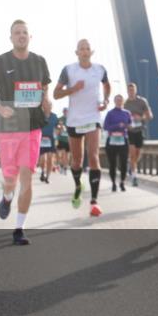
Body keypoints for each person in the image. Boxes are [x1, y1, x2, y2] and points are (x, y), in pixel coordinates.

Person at [0, 20, 51, 245]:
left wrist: (46, 102)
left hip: (32, 128)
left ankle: (19, 228)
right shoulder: (0, 62)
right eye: (17, 33)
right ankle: (7, 197)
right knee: (10, 179)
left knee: (27, 176)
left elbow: (44, 89)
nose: (21, 36)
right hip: (8, 130)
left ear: (30, 36)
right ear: (11, 38)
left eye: (25, 32)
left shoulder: (40, 62)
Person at [52, 39, 110, 217]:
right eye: (81, 49)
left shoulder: (99, 69)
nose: (84, 52)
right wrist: (73, 89)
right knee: (76, 160)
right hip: (74, 120)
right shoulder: (69, 70)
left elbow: (107, 86)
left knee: (93, 157)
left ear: (91, 52)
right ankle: (78, 186)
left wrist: (105, 100)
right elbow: (56, 94)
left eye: (87, 49)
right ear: (76, 52)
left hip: (93, 118)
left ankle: (94, 201)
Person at [123, 83, 152, 187]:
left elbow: (150, 116)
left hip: (140, 130)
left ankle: (130, 164)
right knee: (132, 154)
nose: (131, 92)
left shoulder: (142, 101)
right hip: (130, 131)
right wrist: (127, 125)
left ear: (136, 90)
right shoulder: (124, 103)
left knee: (137, 154)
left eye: (132, 90)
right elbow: (122, 119)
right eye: (129, 90)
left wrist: (141, 118)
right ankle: (134, 176)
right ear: (127, 91)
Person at [103, 94, 132, 191]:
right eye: (117, 100)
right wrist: (117, 126)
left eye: (120, 100)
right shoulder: (110, 113)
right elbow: (106, 127)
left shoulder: (127, 113)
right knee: (112, 163)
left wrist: (127, 126)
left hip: (123, 140)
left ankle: (122, 182)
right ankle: (113, 183)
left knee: (124, 163)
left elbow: (130, 125)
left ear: (123, 102)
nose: (119, 101)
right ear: (114, 101)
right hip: (111, 140)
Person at [38, 103, 59, 183]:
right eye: (46, 106)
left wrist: (58, 130)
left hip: (51, 139)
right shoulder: (40, 115)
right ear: (43, 107)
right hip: (41, 138)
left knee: (50, 158)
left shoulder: (54, 116)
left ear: (51, 107)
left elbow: (57, 127)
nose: (47, 107)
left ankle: (48, 176)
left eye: (49, 106)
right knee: (43, 159)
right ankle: (43, 171)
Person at [56, 107, 71, 173]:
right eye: (64, 111)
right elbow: (57, 129)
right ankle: (62, 166)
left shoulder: (71, 119)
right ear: (63, 111)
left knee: (67, 155)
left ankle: (65, 167)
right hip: (61, 139)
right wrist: (60, 128)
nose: (66, 112)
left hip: (68, 140)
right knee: (62, 154)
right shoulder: (60, 119)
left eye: (67, 111)